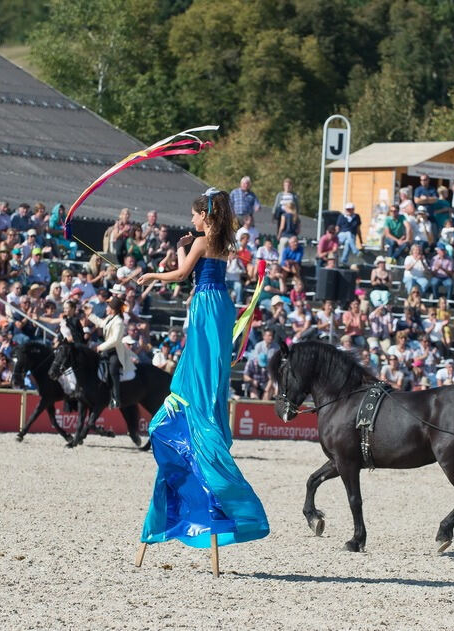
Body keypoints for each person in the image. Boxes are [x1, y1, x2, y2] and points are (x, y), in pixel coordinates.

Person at [136, 188, 269, 553]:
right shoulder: (225, 241)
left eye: (195, 215)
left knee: (198, 361)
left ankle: (199, 414)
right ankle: (206, 406)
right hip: (222, 303)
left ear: (205, 216)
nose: (191, 221)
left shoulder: (201, 240)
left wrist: (152, 273)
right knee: (211, 365)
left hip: (206, 303)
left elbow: (180, 275)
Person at [84, 295, 128, 409]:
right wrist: (90, 315)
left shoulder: (118, 321)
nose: (106, 307)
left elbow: (115, 340)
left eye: (108, 305)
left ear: (112, 308)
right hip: (106, 349)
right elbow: (101, 323)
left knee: (113, 369)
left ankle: (116, 398)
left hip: (115, 351)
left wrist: (100, 347)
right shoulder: (110, 318)